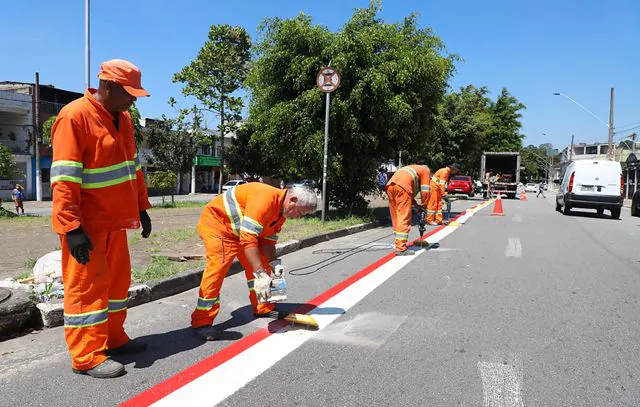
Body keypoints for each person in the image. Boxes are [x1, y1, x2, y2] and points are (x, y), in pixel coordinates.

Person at [50, 59, 152, 379]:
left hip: (115, 221)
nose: (133, 100)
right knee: (86, 289)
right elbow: (64, 178)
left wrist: (141, 207)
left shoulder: (123, 119)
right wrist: (71, 227)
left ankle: (113, 338)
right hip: (87, 225)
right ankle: (86, 355)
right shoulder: (74, 116)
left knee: (116, 285)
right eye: (129, 93)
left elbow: (131, 168)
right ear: (107, 86)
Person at [192, 184, 317, 340]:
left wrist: (273, 263)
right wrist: (260, 273)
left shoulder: (280, 212)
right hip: (219, 226)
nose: (298, 217)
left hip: (241, 233)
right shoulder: (265, 199)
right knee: (218, 268)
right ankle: (202, 320)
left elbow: (267, 241)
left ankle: (262, 307)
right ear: (292, 200)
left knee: (263, 264)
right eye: (300, 212)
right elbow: (249, 240)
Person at [385, 164, 431, 255]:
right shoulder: (426, 169)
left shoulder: (412, 168)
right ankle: (401, 248)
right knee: (404, 216)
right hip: (403, 187)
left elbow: (407, 193)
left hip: (390, 186)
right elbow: (425, 191)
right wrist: (424, 206)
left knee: (396, 217)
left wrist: (416, 205)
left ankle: (398, 242)